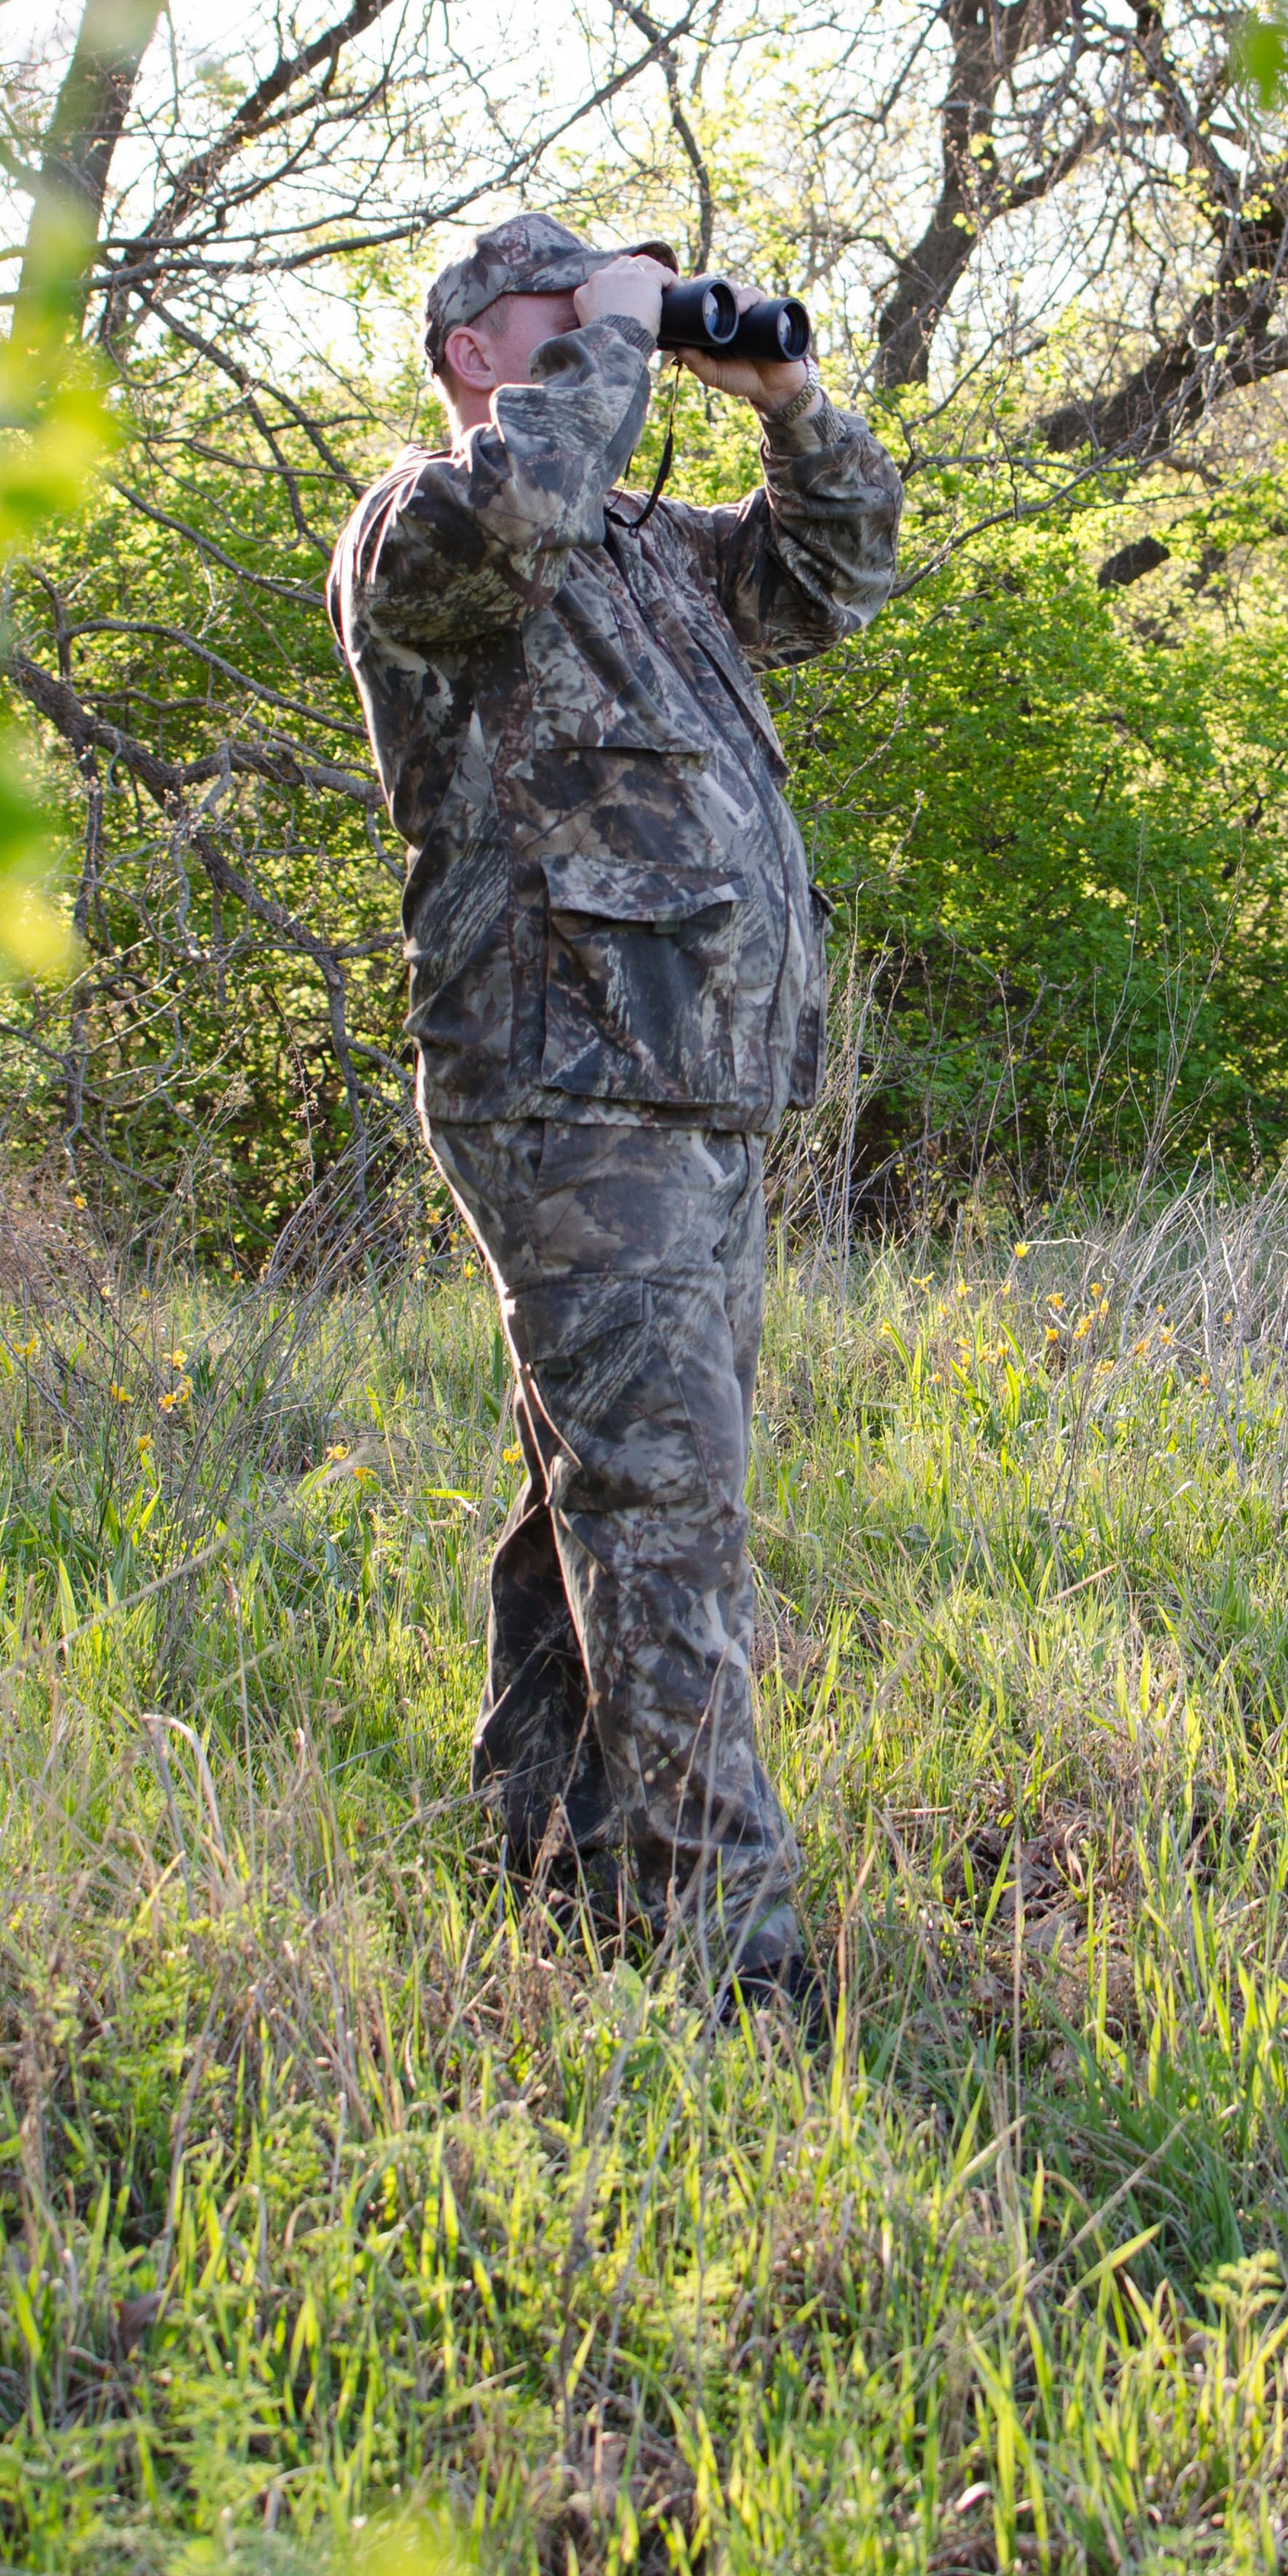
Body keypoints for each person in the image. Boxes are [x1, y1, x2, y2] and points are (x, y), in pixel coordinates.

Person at [327, 213, 903, 2016]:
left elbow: (841, 568)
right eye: (561, 307)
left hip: (702, 1087)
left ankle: (541, 1847)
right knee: (663, 1496)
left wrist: (785, 395)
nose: (612, 328)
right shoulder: (424, 520)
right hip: (560, 1079)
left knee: (596, 1476)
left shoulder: (653, 556)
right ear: (472, 352)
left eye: (619, 302)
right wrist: (613, 342)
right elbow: (517, 518)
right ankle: (730, 1958)